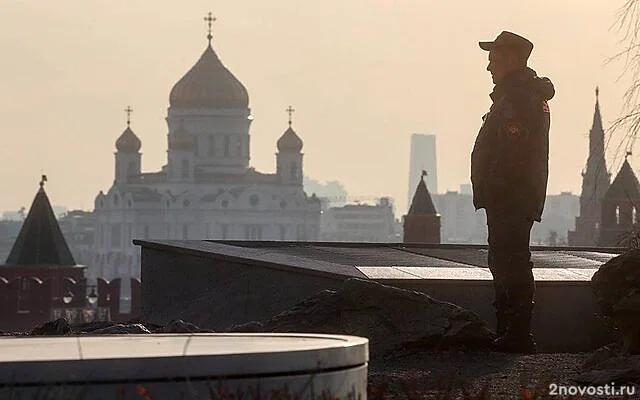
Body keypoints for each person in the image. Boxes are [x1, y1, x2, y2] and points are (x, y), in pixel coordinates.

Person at [470, 31, 555, 353]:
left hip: (511, 197)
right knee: (504, 260)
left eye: (493, 60)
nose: (489, 68)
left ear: (511, 60)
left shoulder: (519, 99)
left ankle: (515, 334)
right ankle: (508, 331)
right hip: (509, 195)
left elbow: (512, 152)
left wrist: (496, 186)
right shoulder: (517, 96)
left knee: (511, 261)